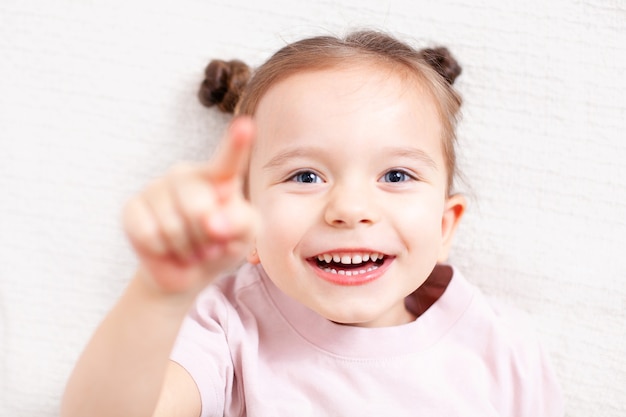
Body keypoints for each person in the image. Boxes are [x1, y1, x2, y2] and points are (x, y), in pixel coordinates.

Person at [61, 30, 564, 417]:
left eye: (395, 174)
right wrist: (157, 291)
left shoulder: (500, 347)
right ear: (249, 219)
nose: (348, 208)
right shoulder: (227, 328)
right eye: (305, 175)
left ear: (445, 226)